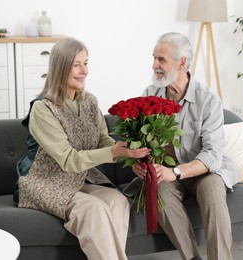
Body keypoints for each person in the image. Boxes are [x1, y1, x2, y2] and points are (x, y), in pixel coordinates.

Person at [14, 37, 150, 260]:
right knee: (93, 209)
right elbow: (68, 160)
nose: (84, 70)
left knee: (116, 201)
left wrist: (128, 151)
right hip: (45, 180)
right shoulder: (43, 108)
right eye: (76, 64)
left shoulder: (90, 102)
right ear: (60, 67)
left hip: (78, 179)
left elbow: (103, 141)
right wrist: (113, 152)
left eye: (86, 63)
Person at [131, 32, 238, 260]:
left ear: (181, 63)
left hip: (203, 171)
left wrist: (176, 172)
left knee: (212, 189)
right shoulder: (150, 94)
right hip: (167, 174)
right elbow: (137, 141)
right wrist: (137, 163)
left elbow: (212, 155)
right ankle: (192, 258)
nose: (154, 65)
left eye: (161, 60)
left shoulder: (207, 100)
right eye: (154, 58)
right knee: (157, 190)